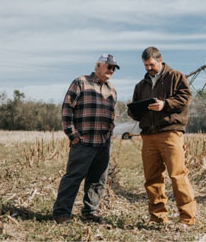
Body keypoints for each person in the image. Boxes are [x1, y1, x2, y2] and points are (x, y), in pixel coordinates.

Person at [128, 46, 196, 227]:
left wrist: (165, 104)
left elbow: (185, 98)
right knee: (152, 178)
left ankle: (187, 218)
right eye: (145, 65)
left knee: (177, 175)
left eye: (151, 64)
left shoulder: (175, 77)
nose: (148, 68)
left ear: (160, 60)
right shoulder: (140, 86)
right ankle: (158, 218)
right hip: (148, 136)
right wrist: (136, 110)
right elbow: (135, 111)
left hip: (170, 133)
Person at [53, 54, 119, 224]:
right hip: (83, 142)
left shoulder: (112, 89)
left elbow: (113, 115)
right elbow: (67, 108)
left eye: (114, 68)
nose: (111, 71)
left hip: (103, 143)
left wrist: (109, 134)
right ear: (98, 65)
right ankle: (61, 213)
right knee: (73, 177)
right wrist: (72, 135)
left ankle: (90, 212)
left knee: (98, 180)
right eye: (109, 66)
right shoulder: (81, 82)